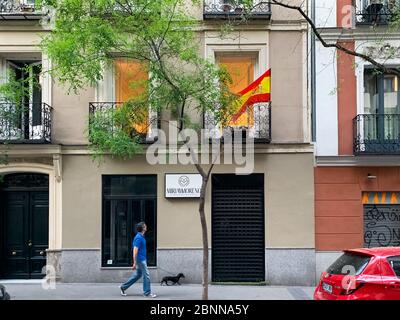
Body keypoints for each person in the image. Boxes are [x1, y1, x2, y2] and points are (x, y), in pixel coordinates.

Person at [120, 222, 157, 298]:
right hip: (140, 260)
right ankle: (147, 293)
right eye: (145, 226)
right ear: (142, 228)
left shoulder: (141, 236)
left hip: (142, 259)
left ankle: (123, 287)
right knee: (146, 275)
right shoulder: (138, 238)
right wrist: (134, 262)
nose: (146, 226)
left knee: (138, 275)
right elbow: (135, 250)